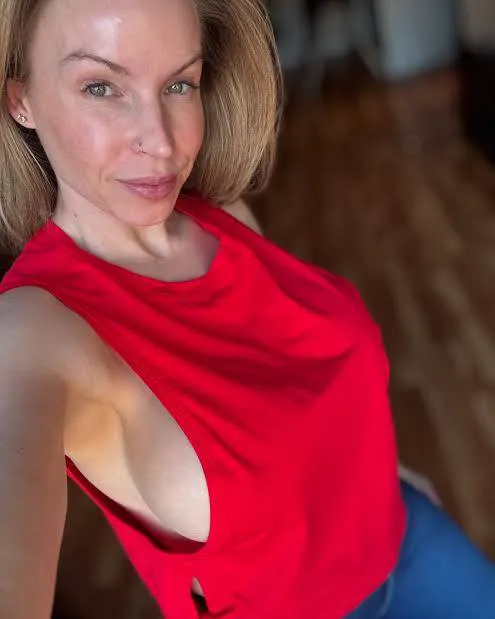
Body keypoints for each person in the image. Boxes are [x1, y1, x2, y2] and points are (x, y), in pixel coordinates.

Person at [0, 0, 494, 617]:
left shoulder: (223, 218)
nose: (160, 141)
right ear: (20, 99)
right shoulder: (35, 330)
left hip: (410, 535)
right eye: (101, 86)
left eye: (180, 83)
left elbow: (306, 391)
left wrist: (383, 472)